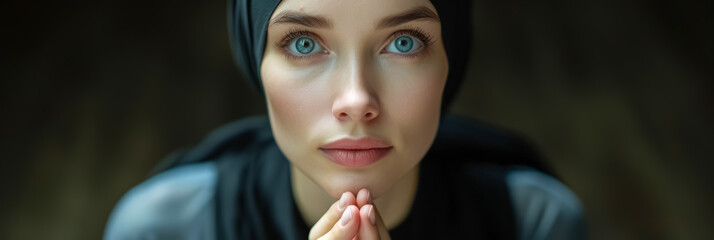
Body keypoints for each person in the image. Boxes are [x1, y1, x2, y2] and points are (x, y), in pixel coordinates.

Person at [104, 0, 587, 239]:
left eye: (404, 42)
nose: (357, 100)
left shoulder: (533, 224)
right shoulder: (162, 230)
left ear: (452, 59)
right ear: (255, 58)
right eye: (304, 43)